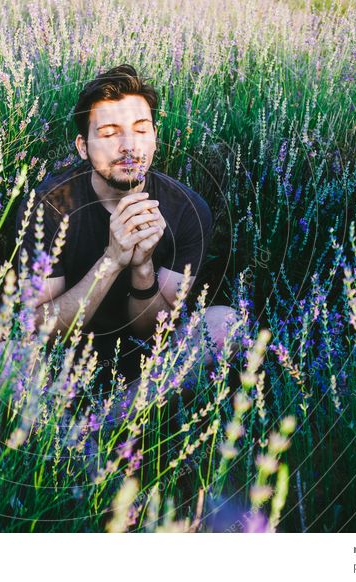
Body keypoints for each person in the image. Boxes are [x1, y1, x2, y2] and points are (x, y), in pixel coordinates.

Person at [15, 64, 239, 398]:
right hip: (62, 359)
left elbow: (153, 331)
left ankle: (109, 423)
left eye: (140, 129)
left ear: (154, 137)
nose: (128, 146)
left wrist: (142, 266)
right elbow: (40, 330)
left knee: (228, 322)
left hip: (145, 365)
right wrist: (112, 260)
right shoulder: (48, 205)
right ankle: (74, 433)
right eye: (109, 133)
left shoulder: (187, 210)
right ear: (82, 146)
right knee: (2, 360)